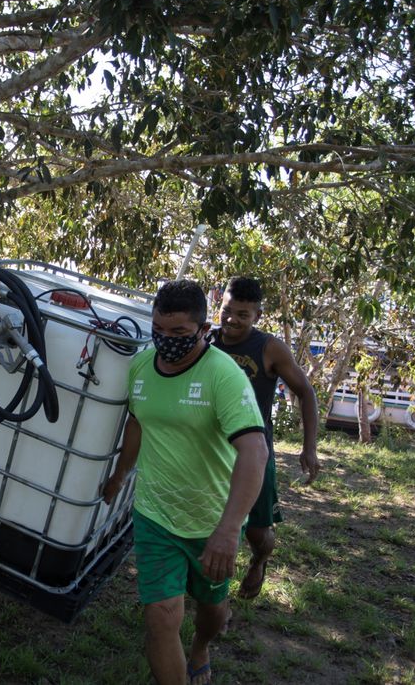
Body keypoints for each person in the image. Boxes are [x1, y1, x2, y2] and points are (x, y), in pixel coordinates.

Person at [102, 280, 268, 685]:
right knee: (160, 619)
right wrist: (121, 474)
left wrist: (229, 531)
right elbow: (139, 422)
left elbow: (255, 451)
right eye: (159, 330)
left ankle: (201, 647)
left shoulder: (223, 376)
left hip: (211, 520)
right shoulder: (142, 365)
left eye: (178, 333)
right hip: (154, 514)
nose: (166, 341)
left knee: (211, 610)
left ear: (203, 329)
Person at [211, 277, 320, 601]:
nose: (231, 319)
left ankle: (260, 560)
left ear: (257, 315)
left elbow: (306, 392)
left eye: (242, 315)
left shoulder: (269, 348)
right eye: (227, 310)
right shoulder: (206, 339)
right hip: (210, 452)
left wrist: (309, 448)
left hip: (253, 454)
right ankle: (210, 595)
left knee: (258, 532)